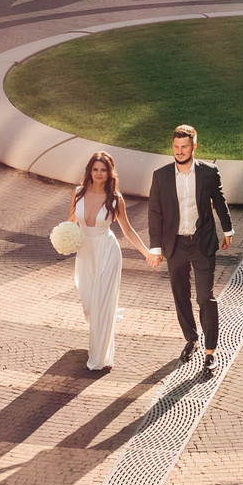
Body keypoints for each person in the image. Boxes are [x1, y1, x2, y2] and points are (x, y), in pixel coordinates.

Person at [144, 123, 232, 376]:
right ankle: (191, 339)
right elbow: (155, 212)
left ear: (194, 146)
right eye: (176, 146)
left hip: (202, 242)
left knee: (205, 297)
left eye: (184, 146)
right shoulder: (161, 176)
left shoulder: (208, 172)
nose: (179, 151)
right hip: (175, 245)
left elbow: (219, 200)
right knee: (180, 295)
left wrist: (228, 230)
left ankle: (210, 352)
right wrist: (155, 247)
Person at [69, 150, 153, 373]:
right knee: (89, 305)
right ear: (90, 171)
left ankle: (99, 357)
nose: (99, 174)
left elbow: (128, 230)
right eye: (95, 169)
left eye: (103, 170)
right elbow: (70, 223)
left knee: (101, 306)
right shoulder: (78, 193)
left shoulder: (115, 199)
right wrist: (64, 239)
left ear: (109, 173)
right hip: (85, 253)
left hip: (107, 252)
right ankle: (101, 327)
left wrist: (146, 253)